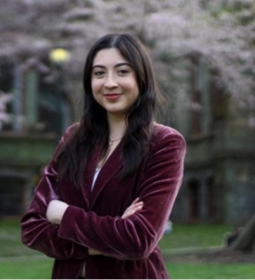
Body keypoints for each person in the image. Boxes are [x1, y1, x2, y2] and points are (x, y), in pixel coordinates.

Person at [21, 33, 186, 279]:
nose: (109, 83)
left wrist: (63, 215)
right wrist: (113, 233)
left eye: (122, 72)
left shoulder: (164, 143)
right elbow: (32, 229)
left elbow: (139, 240)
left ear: (141, 77)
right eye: (99, 73)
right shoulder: (73, 139)